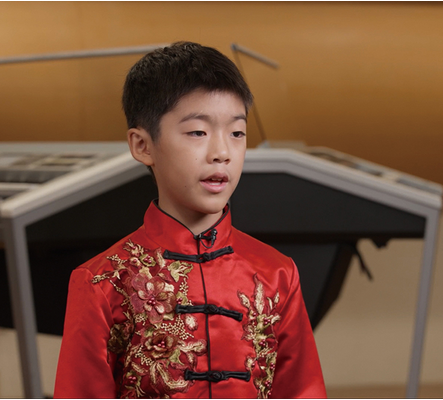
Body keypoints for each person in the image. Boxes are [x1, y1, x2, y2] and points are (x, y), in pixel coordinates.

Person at [54, 41, 326, 399]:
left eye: (237, 133)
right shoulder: (102, 281)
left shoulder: (277, 274)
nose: (222, 153)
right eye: (198, 132)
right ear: (142, 145)